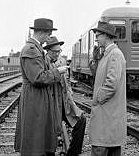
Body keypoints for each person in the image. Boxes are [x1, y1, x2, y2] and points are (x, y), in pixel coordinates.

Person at [14, 18, 68, 156]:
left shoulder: (35, 48)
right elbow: (37, 77)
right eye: (48, 34)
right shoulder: (31, 50)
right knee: (35, 135)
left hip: (36, 97)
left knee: (38, 134)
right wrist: (58, 72)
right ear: (43, 32)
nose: (48, 38)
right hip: (35, 98)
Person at [43, 36, 86, 156]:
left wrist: (70, 92)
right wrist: (57, 70)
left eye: (59, 51)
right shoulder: (45, 62)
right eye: (55, 52)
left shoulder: (61, 61)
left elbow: (66, 82)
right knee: (50, 133)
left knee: (81, 121)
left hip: (63, 103)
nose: (58, 54)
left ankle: (73, 153)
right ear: (48, 51)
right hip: (52, 105)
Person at [89, 21, 127, 156]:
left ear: (106, 35)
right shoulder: (109, 54)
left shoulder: (114, 54)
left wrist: (97, 98)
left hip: (106, 115)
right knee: (111, 147)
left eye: (98, 35)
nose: (97, 39)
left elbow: (111, 83)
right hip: (108, 116)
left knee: (101, 148)